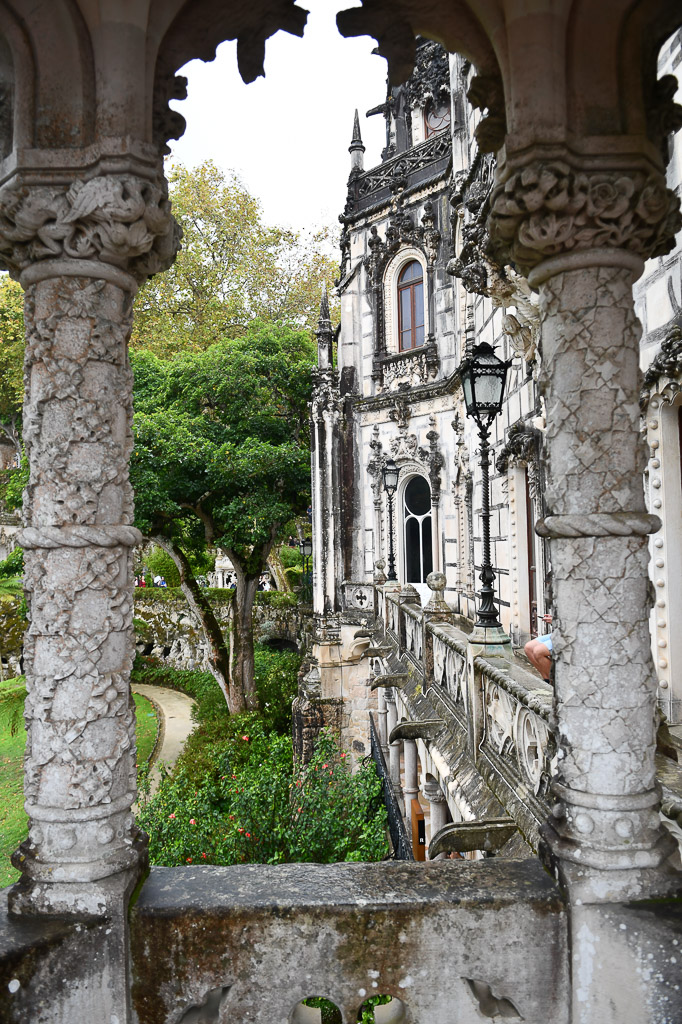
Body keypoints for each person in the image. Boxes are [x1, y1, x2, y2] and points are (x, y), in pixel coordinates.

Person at [524, 614, 553, 683]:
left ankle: (556, 682)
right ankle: (547, 679)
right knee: (528, 647)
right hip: (559, 632)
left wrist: (555, 621)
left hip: (572, 636)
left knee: (538, 651)